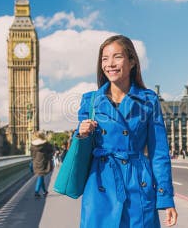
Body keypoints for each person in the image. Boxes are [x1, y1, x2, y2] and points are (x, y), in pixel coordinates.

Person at [75, 35, 178, 227]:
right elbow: (81, 150)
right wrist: (81, 133)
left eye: (117, 57)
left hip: (137, 184)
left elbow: (159, 153)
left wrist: (165, 198)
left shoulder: (149, 100)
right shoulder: (90, 101)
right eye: (104, 58)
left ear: (132, 62)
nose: (110, 64)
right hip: (100, 187)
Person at [30, 132, 54, 199]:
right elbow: (51, 151)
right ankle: (36, 192)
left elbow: (31, 154)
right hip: (43, 161)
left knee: (41, 176)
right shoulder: (46, 143)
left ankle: (45, 191)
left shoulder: (33, 144)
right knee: (40, 176)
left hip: (35, 162)